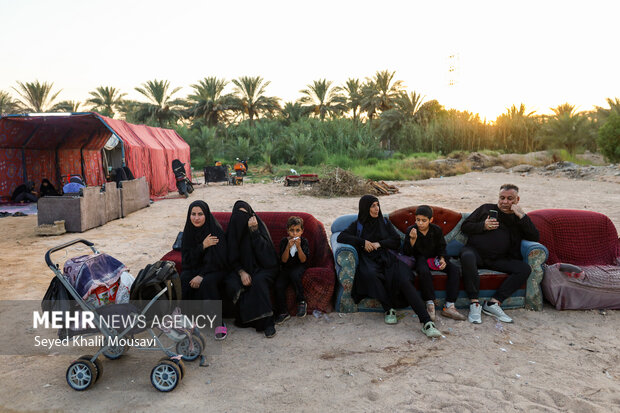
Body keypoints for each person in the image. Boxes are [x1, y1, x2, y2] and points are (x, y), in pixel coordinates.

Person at [337, 195, 441, 338]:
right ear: (365, 208)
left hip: (388, 257)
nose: (376, 208)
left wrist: (379, 244)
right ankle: (388, 308)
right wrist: (363, 242)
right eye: (372, 206)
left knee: (404, 279)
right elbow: (341, 237)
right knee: (370, 275)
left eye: (377, 205)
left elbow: (396, 241)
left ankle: (427, 322)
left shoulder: (384, 222)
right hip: (369, 260)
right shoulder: (358, 225)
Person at [460, 184, 540, 324]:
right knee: (467, 256)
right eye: (502, 198)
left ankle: (493, 303)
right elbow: (465, 226)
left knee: (524, 269)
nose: (505, 202)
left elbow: (534, 237)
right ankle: (474, 303)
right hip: (475, 253)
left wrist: (521, 215)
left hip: (498, 259)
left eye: (510, 198)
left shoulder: (518, 218)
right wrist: (483, 226)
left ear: (517, 199)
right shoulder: (486, 208)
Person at [224, 201, 279, 338]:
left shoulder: (258, 228)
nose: (241, 218)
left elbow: (268, 259)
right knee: (232, 283)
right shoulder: (233, 231)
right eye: (238, 215)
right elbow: (231, 258)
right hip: (240, 269)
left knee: (258, 281)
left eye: (245, 214)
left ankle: (267, 323)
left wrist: (255, 233)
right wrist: (241, 272)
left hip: (264, 268)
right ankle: (246, 320)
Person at [403, 205, 466, 321]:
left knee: (454, 270)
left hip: (435, 258)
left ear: (430, 220)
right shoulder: (411, 230)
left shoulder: (436, 230)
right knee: (423, 271)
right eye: (418, 220)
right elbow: (407, 253)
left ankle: (449, 306)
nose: (420, 223)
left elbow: (442, 247)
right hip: (419, 258)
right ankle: (430, 304)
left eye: (424, 220)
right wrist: (412, 240)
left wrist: (442, 258)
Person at [180, 200, 229, 339]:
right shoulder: (188, 232)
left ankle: (218, 323)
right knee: (184, 278)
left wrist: (201, 275)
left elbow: (219, 259)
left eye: (200, 214)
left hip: (215, 269)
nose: (196, 218)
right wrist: (202, 246)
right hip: (195, 267)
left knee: (207, 282)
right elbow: (187, 259)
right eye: (193, 214)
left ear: (206, 215)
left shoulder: (215, 231)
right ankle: (188, 322)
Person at [274, 216, 310, 324]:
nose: (294, 234)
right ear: (287, 231)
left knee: (295, 274)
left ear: (302, 231)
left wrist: (298, 247)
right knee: (278, 285)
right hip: (286, 267)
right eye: (292, 230)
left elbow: (303, 260)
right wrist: (288, 248)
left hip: (299, 265)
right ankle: (283, 312)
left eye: (297, 230)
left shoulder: (304, 242)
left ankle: (301, 301)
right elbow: (283, 260)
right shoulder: (284, 242)